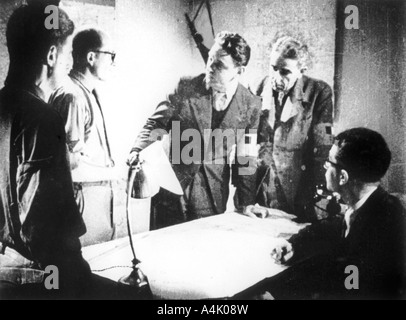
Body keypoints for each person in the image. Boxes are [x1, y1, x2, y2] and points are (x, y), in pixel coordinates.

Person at [0, 2, 90, 298]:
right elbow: (59, 229)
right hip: (43, 280)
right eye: (66, 55)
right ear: (51, 56)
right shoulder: (44, 117)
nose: (68, 65)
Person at [128, 31, 262, 229]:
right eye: (210, 60)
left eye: (219, 66)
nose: (209, 68)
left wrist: (246, 202)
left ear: (239, 71)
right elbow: (156, 124)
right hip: (171, 191)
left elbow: (246, 159)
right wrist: (137, 150)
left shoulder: (251, 104)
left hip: (211, 196)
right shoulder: (186, 86)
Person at [268, 128, 406, 299]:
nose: (325, 170)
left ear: (343, 177)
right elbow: (332, 227)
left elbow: (349, 286)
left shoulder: (384, 223)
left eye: (328, 164)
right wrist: (294, 245)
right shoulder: (370, 206)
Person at [255, 36, 334, 222]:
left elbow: (324, 145)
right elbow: (247, 141)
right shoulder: (259, 87)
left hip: (298, 182)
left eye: (285, 72)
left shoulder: (320, 92)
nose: (276, 77)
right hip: (262, 180)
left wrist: (318, 191)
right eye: (273, 68)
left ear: (301, 71)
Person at [50, 29, 117, 246]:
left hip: (93, 199)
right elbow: (64, 162)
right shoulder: (73, 97)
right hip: (82, 201)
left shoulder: (85, 92)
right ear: (91, 57)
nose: (113, 63)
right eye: (110, 55)